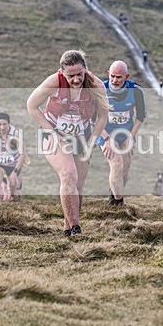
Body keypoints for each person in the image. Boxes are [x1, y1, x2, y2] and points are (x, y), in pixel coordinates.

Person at [27, 50, 110, 236]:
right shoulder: (54, 82)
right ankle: (76, 228)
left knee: (78, 184)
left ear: (85, 69)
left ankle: (67, 228)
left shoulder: (95, 85)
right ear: (62, 72)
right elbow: (31, 105)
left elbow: (103, 116)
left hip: (82, 136)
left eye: (79, 74)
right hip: (56, 134)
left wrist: (93, 141)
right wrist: (51, 132)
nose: (75, 79)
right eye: (70, 76)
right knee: (68, 174)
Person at [100, 61, 147, 205]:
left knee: (124, 172)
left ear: (126, 76)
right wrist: (107, 139)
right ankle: (119, 204)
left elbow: (140, 116)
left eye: (119, 77)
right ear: (108, 73)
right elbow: (93, 119)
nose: (115, 80)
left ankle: (113, 195)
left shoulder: (136, 91)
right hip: (105, 132)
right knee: (116, 164)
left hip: (127, 133)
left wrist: (131, 136)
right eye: (112, 76)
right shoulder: (100, 89)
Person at [0, 112, 28, 201]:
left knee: (15, 194)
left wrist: (15, 172)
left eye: (4, 124)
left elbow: (22, 155)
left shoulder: (15, 134)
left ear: (9, 123)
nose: (2, 127)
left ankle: (13, 203)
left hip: (14, 165)